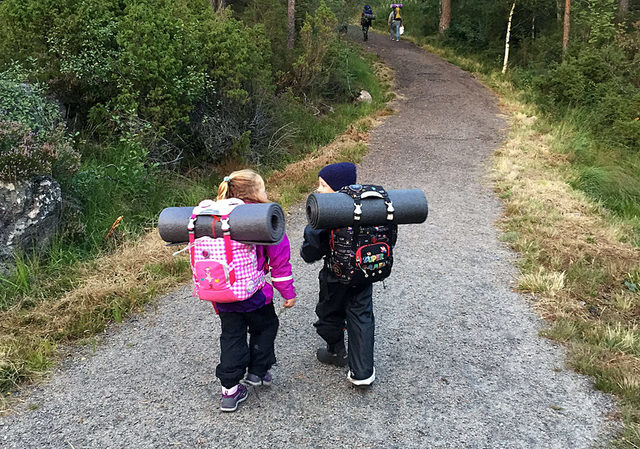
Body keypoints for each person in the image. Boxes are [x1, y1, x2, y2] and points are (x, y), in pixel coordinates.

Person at [213, 169, 296, 412]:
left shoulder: (212, 216)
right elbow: (279, 260)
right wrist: (287, 292)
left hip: (222, 294)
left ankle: (229, 391)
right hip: (255, 294)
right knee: (265, 327)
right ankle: (258, 372)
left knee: (231, 337)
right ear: (255, 193)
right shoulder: (261, 218)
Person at [300, 162, 379, 387]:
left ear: (337, 188)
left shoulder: (328, 213)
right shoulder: (368, 206)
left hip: (335, 275)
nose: (319, 190)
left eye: (323, 185)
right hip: (364, 272)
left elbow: (311, 250)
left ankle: (336, 351)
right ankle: (362, 373)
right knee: (361, 315)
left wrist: (307, 251)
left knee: (328, 312)